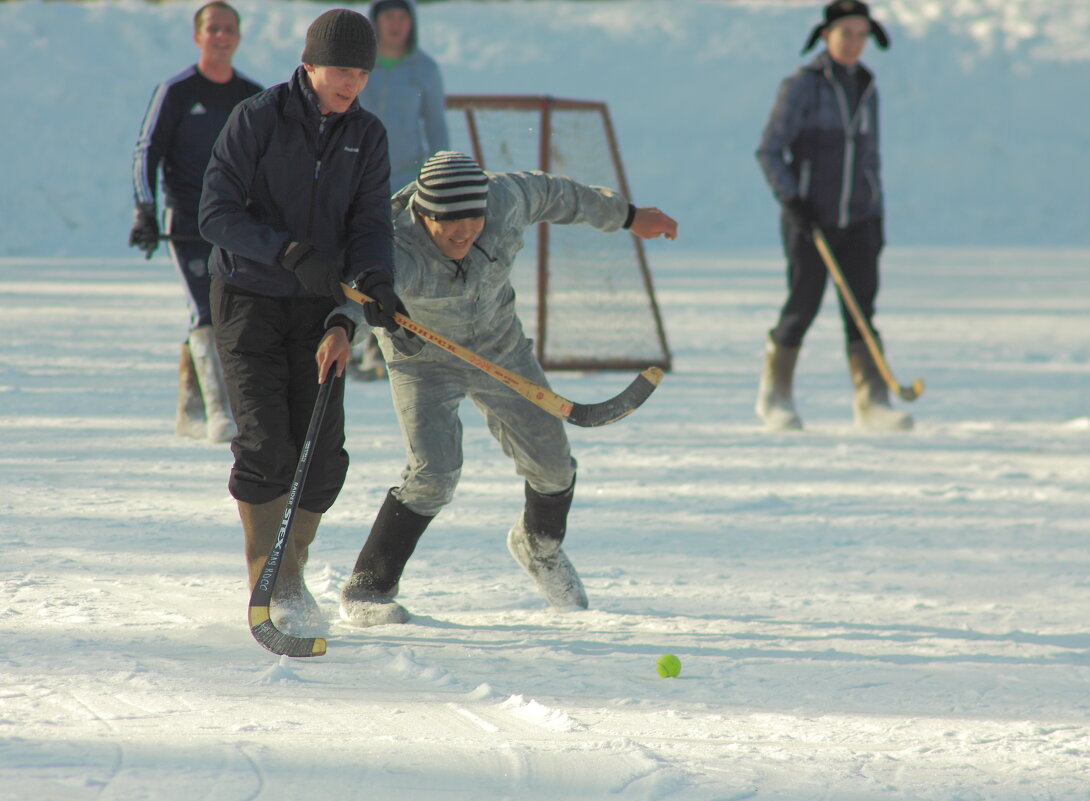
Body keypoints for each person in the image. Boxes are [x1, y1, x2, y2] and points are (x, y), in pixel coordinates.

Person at [328, 151, 678, 627]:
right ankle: (368, 588)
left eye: (473, 221)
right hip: (423, 361)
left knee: (554, 466)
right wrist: (343, 330)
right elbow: (358, 291)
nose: (463, 233)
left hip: (500, 348)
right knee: (435, 472)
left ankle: (539, 547)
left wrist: (629, 216)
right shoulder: (394, 244)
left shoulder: (507, 199)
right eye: (449, 226)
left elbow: (562, 195)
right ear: (423, 214)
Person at [198, 9, 408, 635]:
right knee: (267, 447)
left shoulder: (367, 135)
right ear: (310, 64)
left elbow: (370, 226)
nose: (352, 83)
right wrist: (287, 251)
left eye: (362, 72)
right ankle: (278, 583)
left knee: (320, 459)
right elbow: (215, 213)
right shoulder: (257, 118)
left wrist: (368, 291)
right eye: (341, 69)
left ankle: (291, 564)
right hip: (247, 295)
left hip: (321, 309)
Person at [754, 0, 911, 431]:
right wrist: (793, 200)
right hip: (811, 221)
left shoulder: (867, 86)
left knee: (861, 308)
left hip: (860, 219)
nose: (854, 43)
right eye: (846, 33)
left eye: (862, 35)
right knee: (802, 305)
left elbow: (869, 157)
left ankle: (873, 400)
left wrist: (874, 209)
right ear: (826, 35)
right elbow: (769, 150)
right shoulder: (802, 85)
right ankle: (776, 396)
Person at [129, 2, 262, 442]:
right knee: (205, 308)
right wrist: (144, 209)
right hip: (187, 222)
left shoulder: (252, 95)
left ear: (238, 37)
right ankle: (220, 411)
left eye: (229, 29)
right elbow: (146, 151)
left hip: (238, 225)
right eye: (213, 29)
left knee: (235, 310)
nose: (221, 36)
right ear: (198, 37)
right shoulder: (177, 90)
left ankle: (191, 406)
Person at [350, 0, 451, 382]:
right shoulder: (357, 63)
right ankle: (357, 339)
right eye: (387, 17)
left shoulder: (424, 68)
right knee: (357, 254)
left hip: (406, 177)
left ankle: (388, 342)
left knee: (399, 259)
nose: (395, 25)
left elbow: (436, 125)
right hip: (359, 176)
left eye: (402, 17)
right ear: (374, 22)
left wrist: (440, 174)